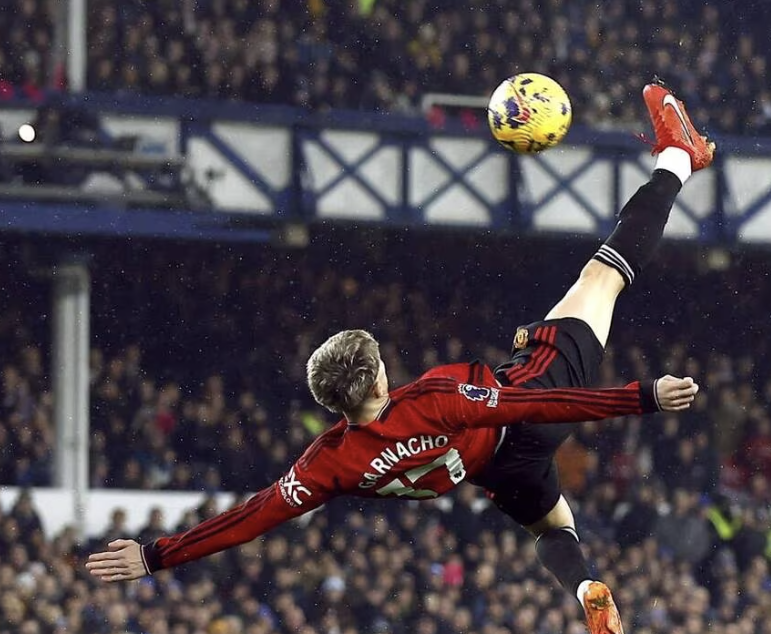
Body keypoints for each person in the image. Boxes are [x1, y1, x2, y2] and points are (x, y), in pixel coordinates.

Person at [87, 80, 715, 634]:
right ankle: (679, 157)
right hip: (522, 414)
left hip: (495, 475)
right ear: (381, 373)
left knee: (553, 528)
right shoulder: (434, 397)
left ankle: (583, 586)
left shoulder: (328, 462)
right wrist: (640, 397)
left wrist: (156, 556)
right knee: (602, 277)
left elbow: (253, 517)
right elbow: (536, 401)